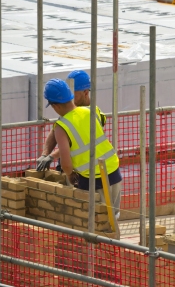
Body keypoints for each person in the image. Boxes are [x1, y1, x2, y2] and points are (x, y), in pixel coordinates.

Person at [42, 78, 122, 219]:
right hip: (113, 170)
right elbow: (85, 142)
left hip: (92, 177)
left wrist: (70, 174)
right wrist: (51, 155)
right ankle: (115, 240)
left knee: (94, 220)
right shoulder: (92, 110)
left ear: (55, 105)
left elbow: (66, 163)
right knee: (113, 217)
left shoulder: (61, 127)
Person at [36, 70, 106, 172]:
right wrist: (45, 154)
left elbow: (75, 144)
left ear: (85, 92)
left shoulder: (92, 113)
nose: (70, 98)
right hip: (69, 167)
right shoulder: (71, 110)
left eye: (74, 93)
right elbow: (56, 131)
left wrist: (52, 156)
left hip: (85, 170)